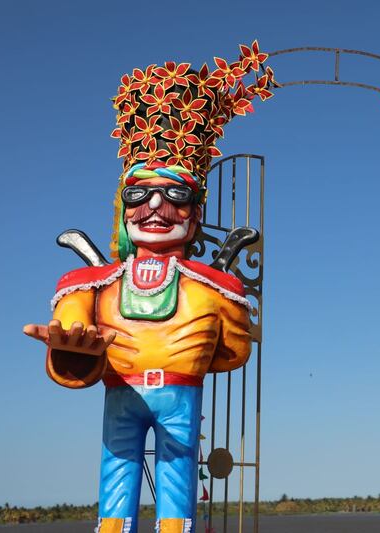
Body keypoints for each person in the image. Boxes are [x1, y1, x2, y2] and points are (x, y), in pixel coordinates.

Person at [23, 43, 273, 533]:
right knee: (115, 484)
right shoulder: (90, 282)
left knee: (177, 485)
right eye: (139, 194)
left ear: (196, 213)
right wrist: (77, 347)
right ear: (123, 207)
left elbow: (234, 351)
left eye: (175, 193)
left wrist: (191, 355)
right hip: (121, 391)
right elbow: (72, 332)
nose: (156, 206)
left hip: (181, 396)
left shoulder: (214, 286)